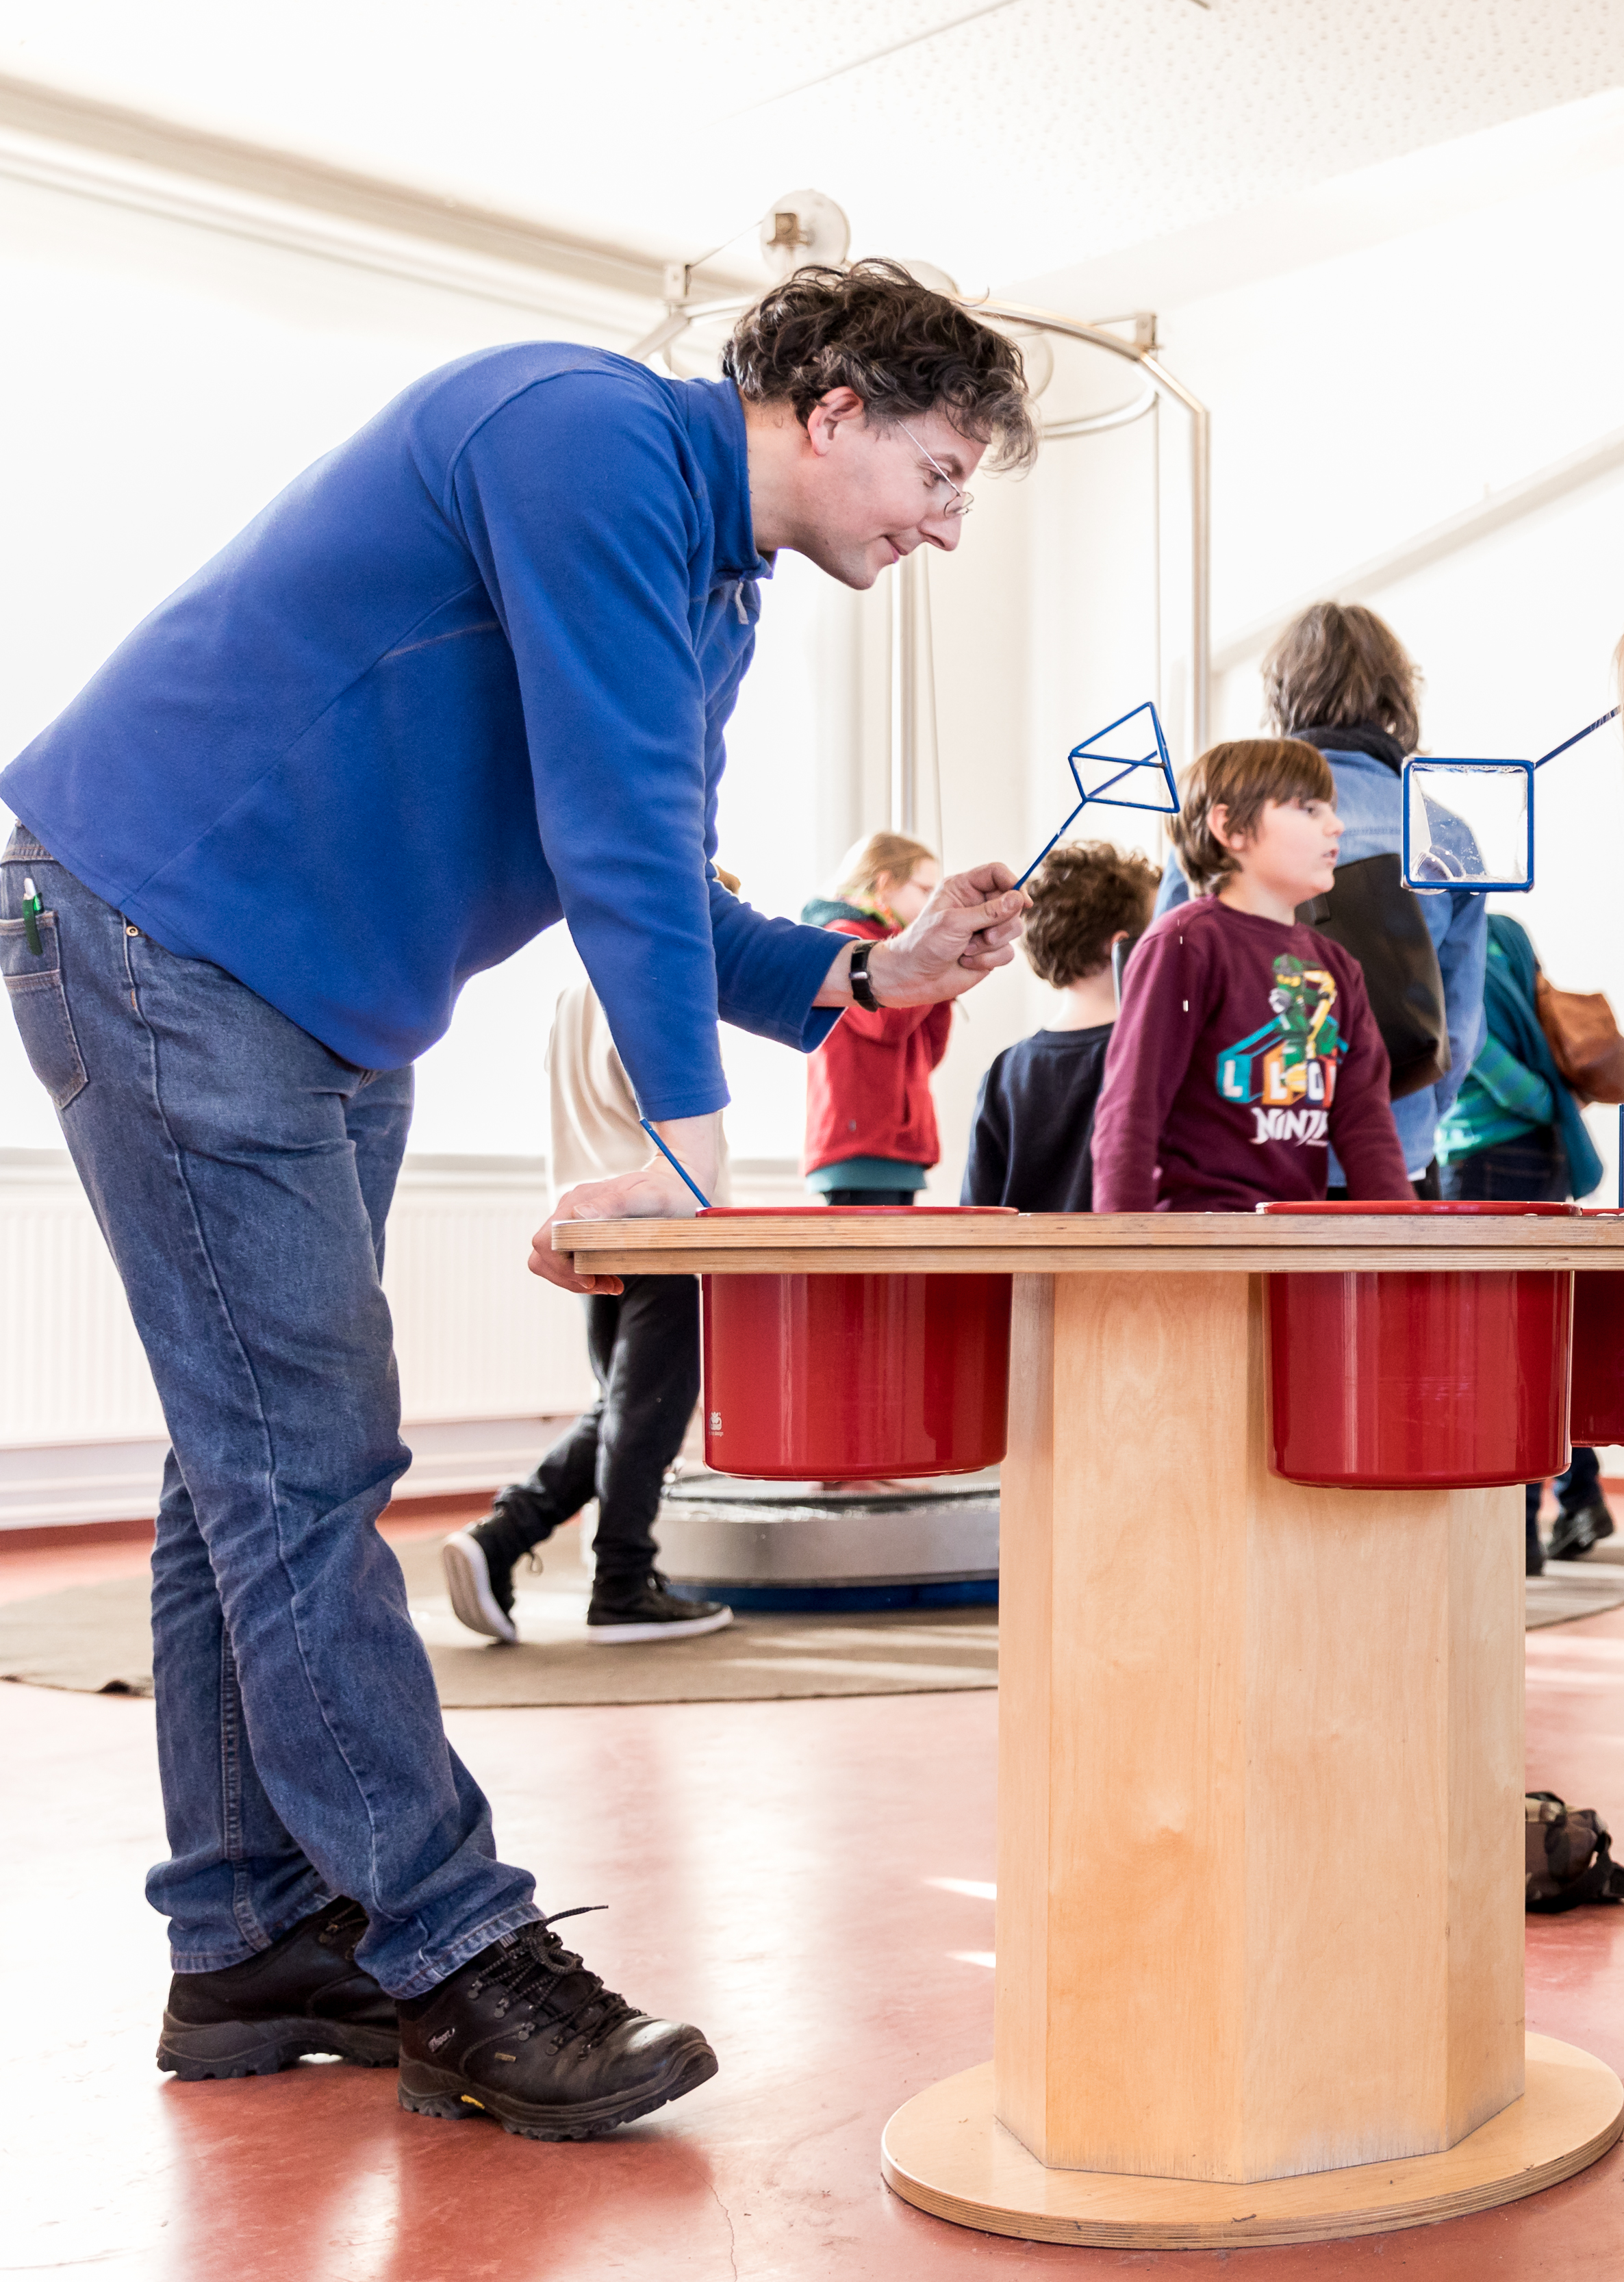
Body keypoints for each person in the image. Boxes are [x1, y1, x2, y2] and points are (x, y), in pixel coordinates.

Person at [0, 259, 1032, 2135]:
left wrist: (878, 976)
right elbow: (614, 831)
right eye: (942, 472)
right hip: (164, 921)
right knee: (301, 1457)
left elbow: (674, 884)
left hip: (314, 989)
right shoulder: (585, 436)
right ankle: (455, 1949)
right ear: (833, 410)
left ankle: (247, 1937)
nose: (947, 525)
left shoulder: (708, 596)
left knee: (245, 1462)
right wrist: (695, 1163)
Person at [1149, 603, 1486, 1195]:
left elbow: (1159, 997)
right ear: (1396, 697)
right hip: (1391, 1155)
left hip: (1237, 1160)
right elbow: (1459, 1028)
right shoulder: (1443, 833)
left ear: (1282, 696)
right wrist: (1412, 1117)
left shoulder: (1225, 818)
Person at [443, 984, 735, 1648]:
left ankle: (501, 1537)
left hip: (593, 1225)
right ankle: (624, 1588)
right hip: (659, 1227)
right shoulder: (660, 982)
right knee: (648, 1418)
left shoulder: (577, 988)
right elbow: (674, 1117)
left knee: (620, 1410)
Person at [1091, 739, 1412, 1212]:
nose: (1336, 824)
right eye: (1308, 808)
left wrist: (1404, 1246)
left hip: (1294, 1241)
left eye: (1331, 809)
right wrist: (1122, 1256)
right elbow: (1131, 1109)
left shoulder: (1339, 969)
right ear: (1230, 827)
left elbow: (1366, 1124)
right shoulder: (1183, 945)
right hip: (1199, 1242)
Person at [1438, 912, 1619, 1572]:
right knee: (1537, 1343)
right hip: (1538, 1158)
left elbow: (1470, 1047)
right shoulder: (1504, 929)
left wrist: (1543, 1099)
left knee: (1491, 1353)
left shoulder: (1451, 947)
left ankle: (1515, 1535)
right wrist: (1553, 1107)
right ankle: (1579, 1498)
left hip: (1484, 1156)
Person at [963, 841, 1158, 1211]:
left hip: (1027, 1269)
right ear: (1121, 946)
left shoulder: (1005, 1071)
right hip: (1125, 1266)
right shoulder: (1147, 1056)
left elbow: (975, 1212)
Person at [804, 832, 954, 1205]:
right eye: (925, 891)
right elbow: (885, 1023)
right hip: (859, 1145)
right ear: (886, 884)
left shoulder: (895, 947)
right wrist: (926, 972)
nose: (931, 905)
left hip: (898, 1144)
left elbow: (929, 1054)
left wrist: (941, 983)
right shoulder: (844, 940)